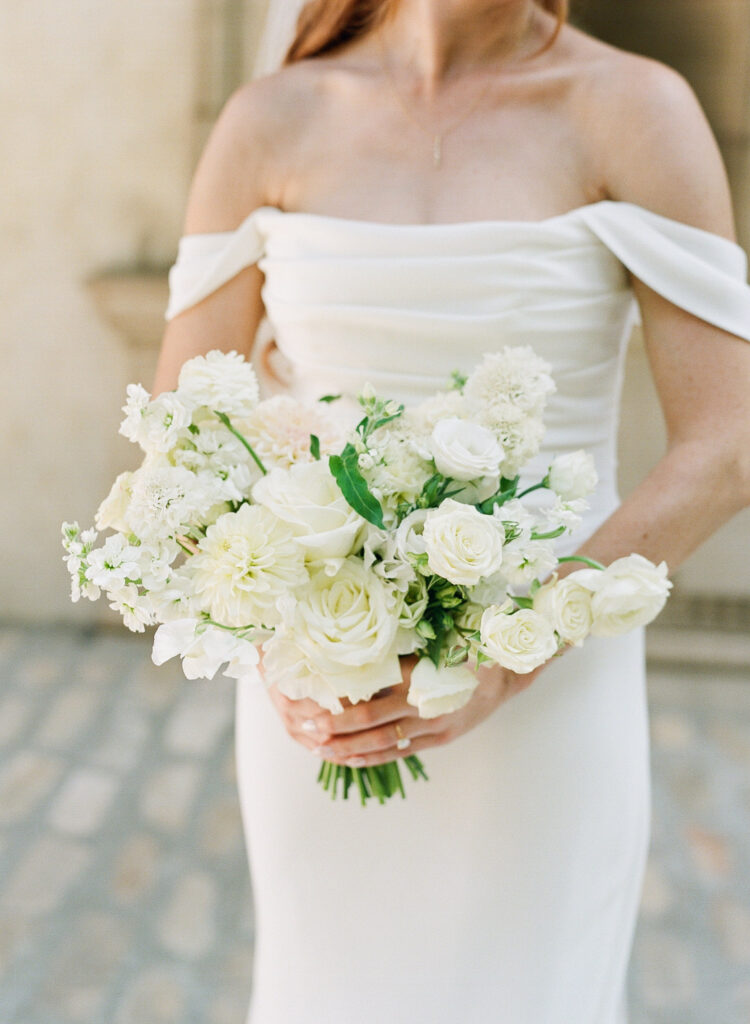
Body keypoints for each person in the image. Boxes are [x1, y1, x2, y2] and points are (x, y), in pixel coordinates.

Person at [152, 1, 750, 1021]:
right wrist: (279, 647)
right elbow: (186, 432)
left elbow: (727, 445)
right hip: (329, 699)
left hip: (551, 685)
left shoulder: (635, 108)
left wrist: (505, 658)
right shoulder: (270, 119)